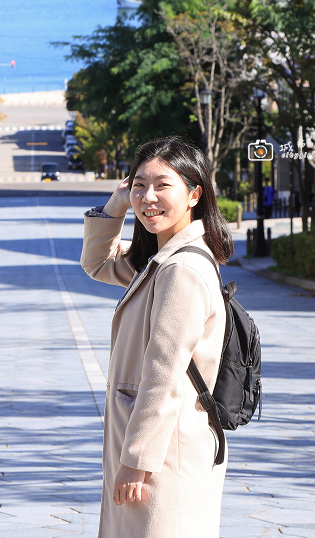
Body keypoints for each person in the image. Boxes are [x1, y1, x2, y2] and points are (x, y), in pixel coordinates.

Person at [80, 136, 233, 537]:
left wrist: (136, 460)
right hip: (156, 448)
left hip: (164, 456)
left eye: (163, 185)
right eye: (139, 185)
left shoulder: (180, 270)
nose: (149, 197)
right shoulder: (163, 259)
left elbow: (163, 375)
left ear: (194, 193)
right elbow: (98, 262)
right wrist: (116, 204)